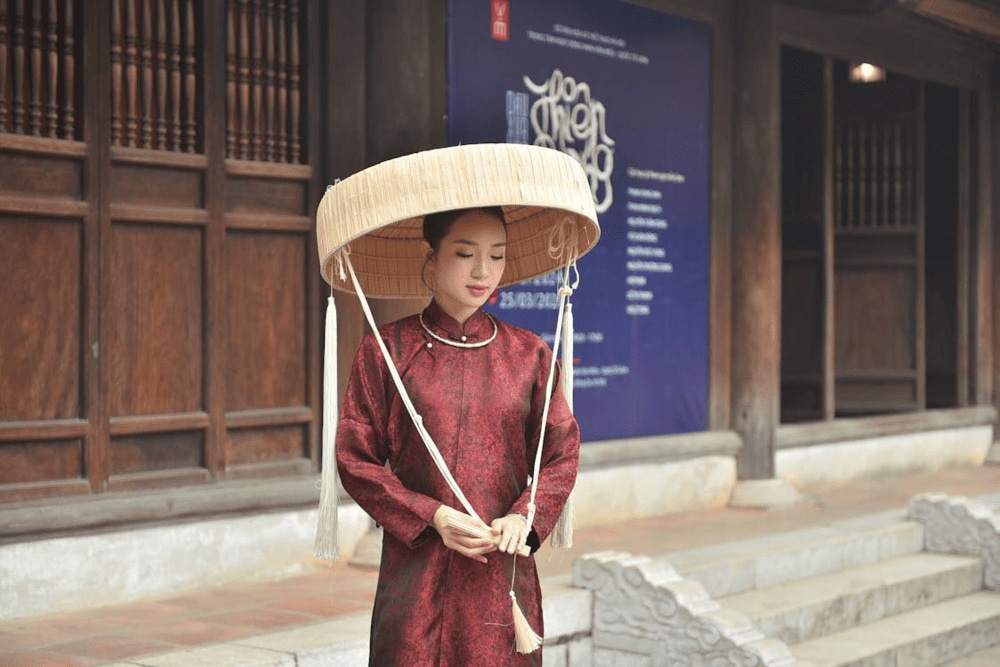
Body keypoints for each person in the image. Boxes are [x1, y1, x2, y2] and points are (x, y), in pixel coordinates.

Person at [335, 205, 581, 666]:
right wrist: (432, 515)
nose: (483, 271)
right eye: (465, 253)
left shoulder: (529, 355)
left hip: (501, 578)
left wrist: (523, 515)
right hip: (416, 574)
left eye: (497, 256)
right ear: (431, 254)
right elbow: (354, 458)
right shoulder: (388, 350)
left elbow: (560, 453)